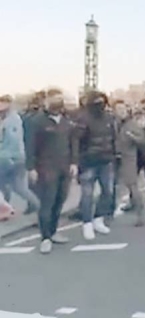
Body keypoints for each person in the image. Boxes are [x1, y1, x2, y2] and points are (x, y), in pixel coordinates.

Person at [26, 89, 79, 254]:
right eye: (55, 99)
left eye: (60, 99)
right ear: (47, 101)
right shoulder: (37, 121)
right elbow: (30, 146)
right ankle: (45, 238)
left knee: (60, 201)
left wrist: (74, 163)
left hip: (64, 167)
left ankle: (54, 231)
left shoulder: (66, 122)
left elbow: (73, 144)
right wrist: (31, 168)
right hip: (45, 168)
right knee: (47, 203)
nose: (58, 102)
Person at [76, 92, 116, 240]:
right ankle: (87, 223)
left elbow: (113, 137)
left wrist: (114, 155)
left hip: (106, 161)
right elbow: (77, 141)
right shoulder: (83, 119)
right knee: (87, 194)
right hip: (88, 162)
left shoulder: (109, 118)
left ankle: (98, 219)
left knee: (108, 192)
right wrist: (78, 161)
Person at [0, 95, 40, 215]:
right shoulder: (11, 118)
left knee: (5, 185)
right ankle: (35, 205)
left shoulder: (12, 120)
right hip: (17, 157)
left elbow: (12, 140)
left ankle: (4, 209)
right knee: (18, 187)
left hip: (8, 158)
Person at [115, 107, 145, 226]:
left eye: (122, 111)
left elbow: (142, 139)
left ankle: (140, 212)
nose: (120, 113)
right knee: (120, 186)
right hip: (115, 157)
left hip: (128, 157)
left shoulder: (131, 125)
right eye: (118, 110)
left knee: (132, 185)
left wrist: (131, 136)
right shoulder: (115, 123)